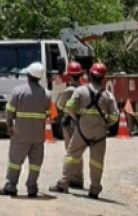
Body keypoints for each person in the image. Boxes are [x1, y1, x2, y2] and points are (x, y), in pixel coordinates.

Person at [50, 62, 120, 199]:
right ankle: (94, 189)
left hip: (82, 131)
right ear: (103, 78)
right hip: (100, 134)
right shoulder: (108, 96)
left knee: (72, 156)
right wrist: (105, 124)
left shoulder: (80, 91)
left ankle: (63, 184)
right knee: (97, 162)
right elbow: (115, 116)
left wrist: (76, 117)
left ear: (89, 75)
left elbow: (69, 107)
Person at [0, 62, 51, 198]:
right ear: (39, 78)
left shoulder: (18, 91)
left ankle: (11, 185)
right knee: (35, 163)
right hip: (38, 135)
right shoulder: (46, 94)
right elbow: (48, 115)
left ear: (28, 75)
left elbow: (10, 112)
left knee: (15, 161)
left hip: (20, 134)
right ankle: (32, 188)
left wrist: (9, 125)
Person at [55, 61, 86, 189]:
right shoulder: (84, 90)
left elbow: (59, 105)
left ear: (70, 75)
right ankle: (78, 177)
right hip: (82, 123)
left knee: (70, 151)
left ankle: (70, 179)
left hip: (70, 124)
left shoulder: (69, 91)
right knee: (78, 152)